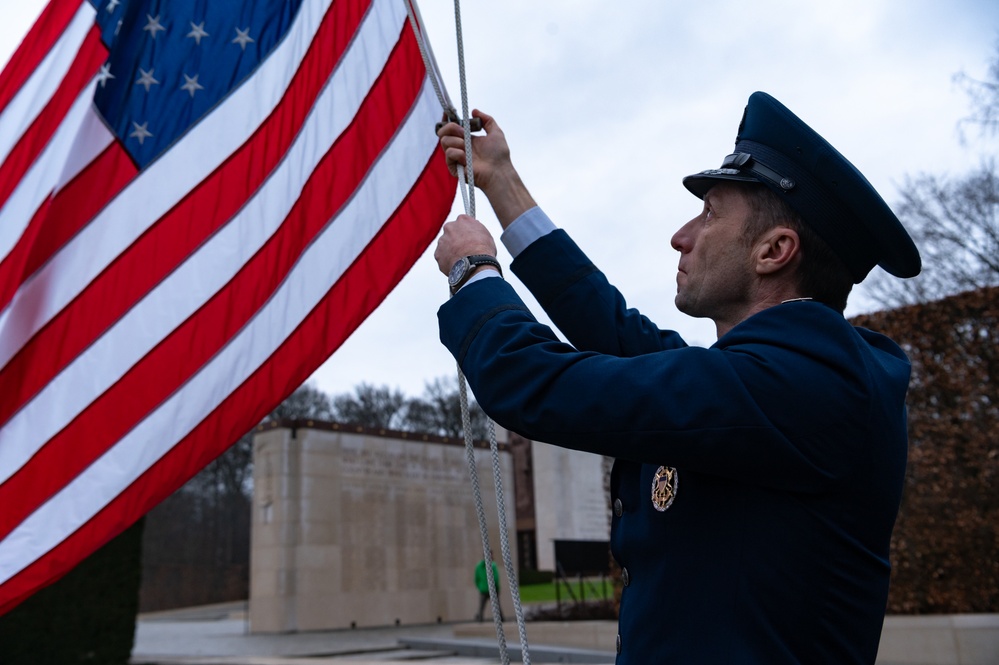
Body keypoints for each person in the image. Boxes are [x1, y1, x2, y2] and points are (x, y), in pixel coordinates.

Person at [433, 92, 921, 664]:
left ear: (774, 251)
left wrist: (474, 271)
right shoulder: (783, 377)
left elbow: (531, 380)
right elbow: (610, 327)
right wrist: (502, 183)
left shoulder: (807, 383)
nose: (681, 236)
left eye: (710, 213)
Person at [474, 551, 503, 622]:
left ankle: (481, 619)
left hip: (487, 589)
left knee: (491, 606)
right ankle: (481, 619)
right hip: (486, 590)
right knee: (491, 606)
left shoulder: (480, 566)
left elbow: (476, 579)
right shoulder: (491, 565)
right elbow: (476, 579)